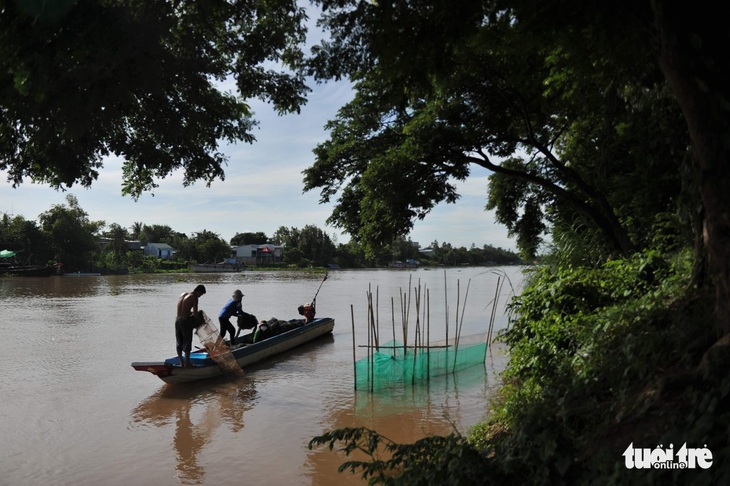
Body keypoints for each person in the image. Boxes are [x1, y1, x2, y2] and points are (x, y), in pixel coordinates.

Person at [175, 284, 206, 367]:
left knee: (179, 341)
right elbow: (195, 315)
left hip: (177, 320)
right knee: (187, 341)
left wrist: (190, 313)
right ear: (198, 291)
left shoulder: (182, 295)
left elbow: (182, 310)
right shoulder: (194, 298)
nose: (200, 296)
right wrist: (198, 320)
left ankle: (181, 362)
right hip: (185, 321)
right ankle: (188, 363)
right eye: (201, 294)